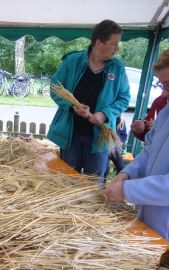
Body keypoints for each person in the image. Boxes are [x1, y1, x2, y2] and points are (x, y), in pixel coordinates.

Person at [103, 40, 169, 259]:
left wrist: (127, 191)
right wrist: (128, 173)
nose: (164, 93)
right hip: (149, 219)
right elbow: (150, 151)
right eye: (162, 85)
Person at [47, 20, 130, 179]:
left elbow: (124, 98)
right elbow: (55, 88)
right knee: (69, 180)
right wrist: (72, 107)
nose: (117, 48)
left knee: (95, 184)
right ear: (99, 43)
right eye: (114, 43)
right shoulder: (72, 61)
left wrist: (105, 114)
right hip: (71, 136)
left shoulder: (117, 67)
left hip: (100, 140)